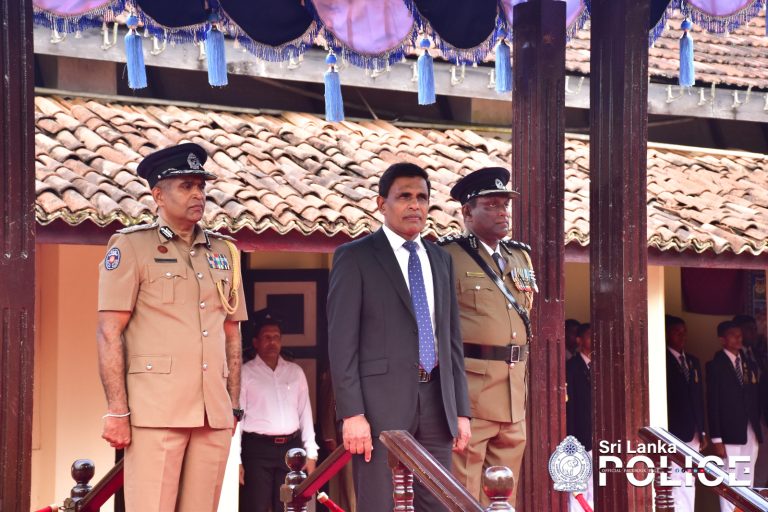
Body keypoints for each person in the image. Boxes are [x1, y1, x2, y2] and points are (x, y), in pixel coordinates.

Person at [96, 143, 247, 512]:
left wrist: (232, 405)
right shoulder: (131, 246)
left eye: (201, 186)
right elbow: (109, 331)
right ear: (158, 196)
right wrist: (117, 411)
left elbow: (232, 332)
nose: (198, 194)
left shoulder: (224, 252)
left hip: (213, 413)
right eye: (186, 186)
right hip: (156, 411)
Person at [327, 162, 471, 511]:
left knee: (438, 504)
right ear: (382, 204)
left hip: (437, 403)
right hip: (378, 407)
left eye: (422, 197)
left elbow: (451, 340)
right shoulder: (355, 257)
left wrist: (461, 410)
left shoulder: (440, 259)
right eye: (404, 196)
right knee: (379, 504)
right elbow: (341, 343)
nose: (414, 205)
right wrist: (352, 414)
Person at [439, 167, 536, 506]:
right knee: (464, 492)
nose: (502, 212)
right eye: (491, 205)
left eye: (505, 204)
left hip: (513, 393)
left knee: (504, 495)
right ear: (467, 212)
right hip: (472, 396)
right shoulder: (446, 256)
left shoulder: (519, 256)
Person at [238, 309, 319, 512]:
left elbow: (305, 414)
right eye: (267, 337)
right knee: (256, 506)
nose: (272, 342)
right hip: (257, 450)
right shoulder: (246, 373)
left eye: (276, 337)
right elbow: (237, 420)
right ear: (256, 342)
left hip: (290, 450)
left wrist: (311, 453)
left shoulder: (295, 372)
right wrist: (236, 461)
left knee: (289, 505)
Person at [707, 321, 763, 512]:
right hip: (728, 431)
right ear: (722, 339)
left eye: (740, 334)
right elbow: (713, 403)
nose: (738, 338)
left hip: (750, 429)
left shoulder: (748, 363)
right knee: (729, 476)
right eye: (733, 334)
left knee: (747, 475)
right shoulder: (715, 365)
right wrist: (716, 438)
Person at [664, 315, 706, 512]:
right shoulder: (662, 360)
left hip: (694, 433)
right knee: (674, 478)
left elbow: (698, 398)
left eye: (684, 332)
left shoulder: (692, 361)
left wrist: (702, 431)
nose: (682, 336)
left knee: (690, 478)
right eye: (676, 332)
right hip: (674, 431)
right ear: (666, 334)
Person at [566, 323, 593, 512]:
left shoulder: (601, 366)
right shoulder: (571, 366)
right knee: (578, 490)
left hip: (598, 439)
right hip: (579, 437)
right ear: (579, 340)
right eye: (590, 335)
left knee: (596, 488)